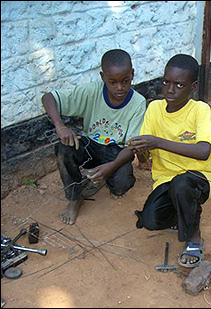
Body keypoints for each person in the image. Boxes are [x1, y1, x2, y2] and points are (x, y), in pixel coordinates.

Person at [127, 54, 211, 268]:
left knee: (182, 185)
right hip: (166, 180)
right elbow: (145, 159)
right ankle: (182, 214)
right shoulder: (154, 109)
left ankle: (194, 237)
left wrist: (158, 142)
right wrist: (140, 150)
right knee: (150, 220)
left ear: (193, 87)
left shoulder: (200, 110)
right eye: (166, 82)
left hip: (200, 178)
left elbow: (203, 151)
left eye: (179, 85)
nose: (170, 90)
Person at [42, 49, 147, 225]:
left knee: (122, 185)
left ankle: (102, 175)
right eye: (112, 82)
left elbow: (131, 148)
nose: (119, 88)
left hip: (117, 151)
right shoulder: (92, 91)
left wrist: (111, 167)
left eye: (125, 81)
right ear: (102, 77)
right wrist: (60, 127)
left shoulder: (138, 102)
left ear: (133, 75)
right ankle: (75, 198)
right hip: (90, 145)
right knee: (63, 148)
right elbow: (48, 97)